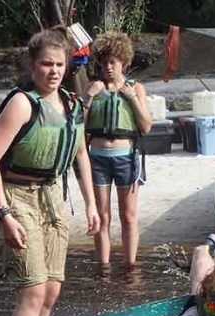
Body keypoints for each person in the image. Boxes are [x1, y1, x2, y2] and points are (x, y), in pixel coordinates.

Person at [0, 28, 101, 316]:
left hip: (53, 198)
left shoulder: (74, 105)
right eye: (46, 64)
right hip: (17, 198)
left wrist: (91, 205)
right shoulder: (21, 104)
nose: (54, 71)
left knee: (51, 291)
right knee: (32, 289)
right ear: (32, 66)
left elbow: (81, 155)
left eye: (59, 64)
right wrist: (4, 215)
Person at [83, 31, 152, 270]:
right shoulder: (93, 88)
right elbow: (78, 126)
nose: (108, 67)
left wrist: (132, 98)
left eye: (113, 62)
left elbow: (146, 126)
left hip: (126, 158)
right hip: (97, 159)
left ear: (123, 62)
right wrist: (88, 100)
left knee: (129, 217)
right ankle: (103, 269)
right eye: (103, 62)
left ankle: (130, 267)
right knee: (102, 217)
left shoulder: (136, 88)